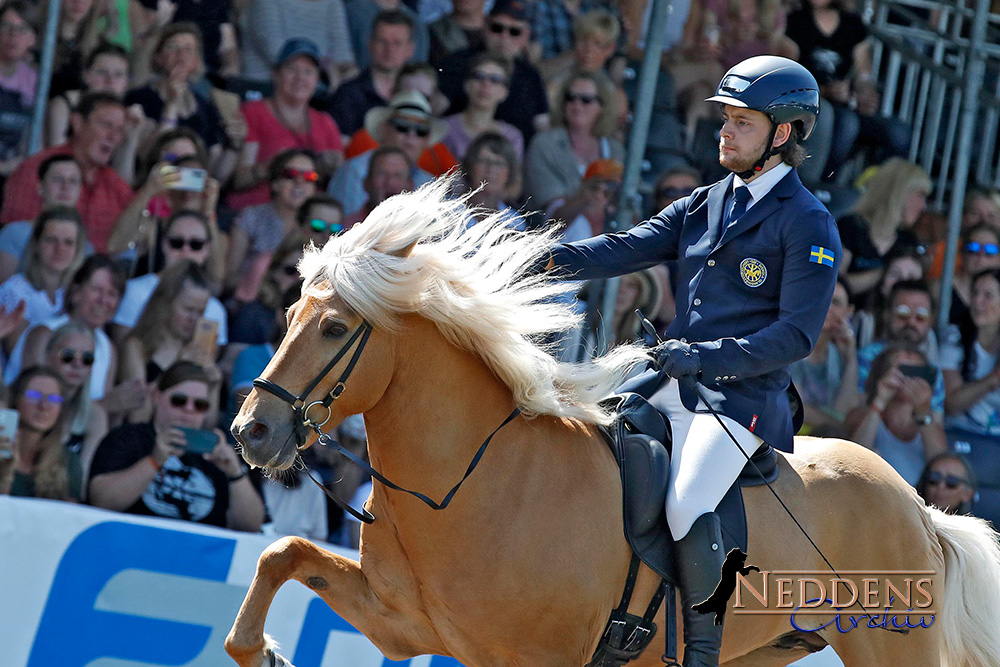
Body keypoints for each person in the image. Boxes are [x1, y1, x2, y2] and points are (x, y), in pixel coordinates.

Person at [538, 56, 837, 666]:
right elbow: (621, 249)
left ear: (782, 134)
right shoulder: (705, 202)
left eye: (742, 122)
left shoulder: (808, 222)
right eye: (724, 119)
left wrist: (704, 356)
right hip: (669, 378)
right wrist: (530, 258)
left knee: (688, 501)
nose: (724, 132)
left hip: (742, 401)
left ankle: (701, 652)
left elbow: (795, 338)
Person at [88, 361, 264, 531]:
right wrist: (153, 461)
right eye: (179, 400)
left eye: (199, 405)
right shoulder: (127, 437)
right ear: (156, 396)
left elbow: (251, 525)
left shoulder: (216, 454)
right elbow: (101, 500)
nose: (188, 409)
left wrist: (235, 474)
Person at [1, 92, 134, 253]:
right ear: (77, 123)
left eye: (120, 130)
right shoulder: (37, 169)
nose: (113, 137)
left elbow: (133, 238)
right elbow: (16, 238)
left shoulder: (114, 183)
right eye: (106, 125)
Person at [228, 39, 344, 211]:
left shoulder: (325, 121)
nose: (300, 78)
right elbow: (238, 179)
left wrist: (325, 166)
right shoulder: (252, 112)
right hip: (258, 208)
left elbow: (340, 178)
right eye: (292, 69)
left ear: (317, 79)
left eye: (308, 72)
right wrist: (274, 167)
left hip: (310, 218)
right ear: (276, 74)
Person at [124, 23, 235, 178]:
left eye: (189, 49)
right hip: (154, 182)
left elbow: (216, 171)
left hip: (194, 186)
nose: (181, 54)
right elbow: (149, 157)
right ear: (158, 57)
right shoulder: (140, 98)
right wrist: (171, 105)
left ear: (196, 61)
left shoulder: (204, 105)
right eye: (173, 47)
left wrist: (234, 144)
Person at [110, 210, 228, 347]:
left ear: (207, 249)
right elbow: (124, 352)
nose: (185, 251)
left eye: (196, 244)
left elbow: (203, 364)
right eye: (177, 243)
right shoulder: (134, 291)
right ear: (164, 244)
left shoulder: (215, 310)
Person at [438, 0, 550, 144]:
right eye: (497, 28)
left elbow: (543, 127)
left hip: (516, 159)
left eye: (514, 32)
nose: (505, 37)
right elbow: (435, 113)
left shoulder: (531, 75)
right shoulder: (457, 62)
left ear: (525, 36)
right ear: (484, 26)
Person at [117, 261, 215, 422]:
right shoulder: (136, 346)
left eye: (201, 312)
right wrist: (181, 365)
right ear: (166, 303)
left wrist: (214, 385)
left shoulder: (198, 349)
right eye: (188, 309)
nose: (194, 319)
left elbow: (207, 423)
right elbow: (138, 412)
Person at [846, 343, 947, 486]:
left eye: (917, 373)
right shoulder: (860, 416)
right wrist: (879, 402)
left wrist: (923, 410)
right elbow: (853, 459)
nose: (909, 380)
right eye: (903, 371)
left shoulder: (929, 426)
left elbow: (941, 464)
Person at [328, 90, 439, 217]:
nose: (411, 135)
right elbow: (346, 225)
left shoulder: (430, 182)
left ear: (426, 139)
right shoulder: (355, 170)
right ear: (384, 130)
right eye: (402, 126)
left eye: (421, 130)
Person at [226, 149, 318, 301]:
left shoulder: (321, 222)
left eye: (309, 177)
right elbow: (230, 277)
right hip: (255, 302)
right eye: (291, 175)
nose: (300, 181)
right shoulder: (251, 217)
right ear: (275, 183)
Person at [525, 70, 624, 209]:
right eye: (570, 98)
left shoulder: (615, 150)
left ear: (602, 106)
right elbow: (551, 213)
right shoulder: (544, 145)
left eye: (586, 100)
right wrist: (587, 197)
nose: (577, 105)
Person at [836, 158, 930, 302]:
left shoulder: (908, 240)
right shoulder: (850, 227)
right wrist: (885, 273)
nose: (924, 206)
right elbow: (835, 285)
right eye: (920, 195)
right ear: (899, 192)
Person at [0, 208, 87, 350]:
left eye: (68, 242)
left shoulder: (77, 293)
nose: (60, 249)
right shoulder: (15, 290)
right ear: (36, 244)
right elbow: (18, 353)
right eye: (51, 240)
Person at [857, 280, 947, 416]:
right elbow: (854, 411)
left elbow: (937, 421)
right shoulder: (866, 357)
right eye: (902, 314)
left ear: (931, 321)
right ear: (887, 314)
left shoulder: (933, 370)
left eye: (921, 317)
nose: (911, 322)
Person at [789, 278, 860, 436]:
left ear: (849, 312)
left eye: (835, 302)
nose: (827, 306)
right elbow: (794, 408)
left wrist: (851, 357)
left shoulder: (839, 355)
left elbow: (846, 410)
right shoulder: (793, 345)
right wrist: (840, 425)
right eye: (822, 297)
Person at [327, 10, 416, 137]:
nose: (389, 49)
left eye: (397, 43)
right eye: (382, 41)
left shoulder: (418, 94)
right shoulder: (347, 94)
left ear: (410, 49)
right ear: (370, 44)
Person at [42, 321, 108, 489]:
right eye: (68, 355)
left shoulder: (95, 416)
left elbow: (82, 482)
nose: (77, 364)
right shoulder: (29, 400)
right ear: (47, 356)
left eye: (87, 358)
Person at [0, 155, 86, 284]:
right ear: (40, 187)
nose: (66, 187)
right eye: (58, 180)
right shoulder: (14, 233)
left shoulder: (86, 245)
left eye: (73, 181)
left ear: (80, 190)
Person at [239, 0, 355, 87]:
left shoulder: (332, 3)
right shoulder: (264, 3)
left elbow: (343, 55)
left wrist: (346, 73)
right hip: (267, 92)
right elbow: (279, 56)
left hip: (317, 90)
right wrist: (328, 70)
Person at [941, 268, 1000, 436]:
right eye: (974, 293)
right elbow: (951, 404)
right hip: (960, 433)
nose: (977, 301)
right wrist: (994, 378)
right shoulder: (954, 337)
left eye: (987, 296)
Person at [0, 367, 71, 500]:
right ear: (15, 399)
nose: (43, 406)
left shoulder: (67, 461)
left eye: (54, 399)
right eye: (34, 396)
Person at [44, 43, 133, 149]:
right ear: (86, 75)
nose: (110, 81)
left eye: (118, 75)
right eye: (102, 72)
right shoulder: (64, 104)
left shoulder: (125, 114)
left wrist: (131, 139)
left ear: (126, 82)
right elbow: (56, 153)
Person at [441, 54, 524, 162]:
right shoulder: (443, 129)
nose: (485, 84)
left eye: (495, 80)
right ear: (466, 85)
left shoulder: (512, 137)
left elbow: (513, 177)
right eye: (479, 76)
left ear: (504, 92)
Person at [0, 1, 37, 172]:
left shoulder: (34, 80)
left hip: (14, 168)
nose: (13, 35)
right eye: (6, 26)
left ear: (32, 39)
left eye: (22, 30)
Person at [342, 145, 414, 228]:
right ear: (366, 183)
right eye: (382, 174)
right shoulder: (346, 230)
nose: (390, 182)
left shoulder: (422, 232)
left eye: (398, 176)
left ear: (410, 186)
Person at [460, 132, 520, 216]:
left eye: (499, 163)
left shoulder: (516, 223)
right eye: (484, 161)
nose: (491, 169)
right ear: (470, 166)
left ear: (509, 172)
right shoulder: (447, 213)